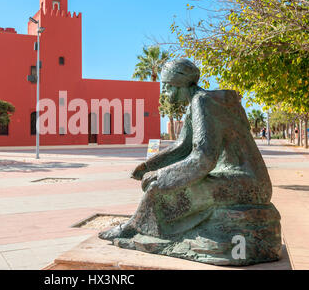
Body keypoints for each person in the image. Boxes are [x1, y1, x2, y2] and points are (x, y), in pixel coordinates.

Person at [99, 59, 281, 265]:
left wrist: (161, 176)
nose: (165, 93)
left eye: (166, 87)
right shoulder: (198, 103)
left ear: (178, 85)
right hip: (242, 181)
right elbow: (182, 147)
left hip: (247, 185)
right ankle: (138, 228)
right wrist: (148, 167)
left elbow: (203, 158)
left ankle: (136, 230)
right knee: (160, 186)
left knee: (159, 189)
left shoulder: (203, 102)